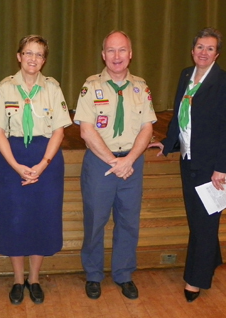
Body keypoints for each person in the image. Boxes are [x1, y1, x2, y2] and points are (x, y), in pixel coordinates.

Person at [148, 27, 226, 302]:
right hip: (189, 160)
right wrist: (168, 142)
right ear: (193, 50)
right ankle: (210, 260)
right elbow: (180, 115)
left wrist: (221, 168)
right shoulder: (186, 76)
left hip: (213, 166)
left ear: (217, 53)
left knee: (204, 224)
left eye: (210, 48)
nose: (203, 52)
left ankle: (195, 281)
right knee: (200, 220)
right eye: (200, 47)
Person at [0, 35, 72, 305]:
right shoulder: (5, 88)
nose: (33, 58)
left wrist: (43, 164)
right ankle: (17, 279)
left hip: (46, 159)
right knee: (15, 221)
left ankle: (34, 279)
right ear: (19, 56)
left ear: (44, 60)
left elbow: (58, 130)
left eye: (39, 54)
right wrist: (16, 166)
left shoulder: (52, 88)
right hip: (12, 159)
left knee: (42, 219)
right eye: (28, 53)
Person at [74, 30, 157, 301]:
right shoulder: (90, 86)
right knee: (95, 221)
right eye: (111, 50)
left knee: (128, 222)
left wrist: (129, 160)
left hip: (132, 164)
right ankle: (94, 275)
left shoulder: (140, 87)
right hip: (101, 164)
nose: (117, 56)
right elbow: (86, 130)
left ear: (130, 54)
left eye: (122, 50)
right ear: (103, 55)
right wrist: (114, 161)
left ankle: (123, 274)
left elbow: (147, 127)